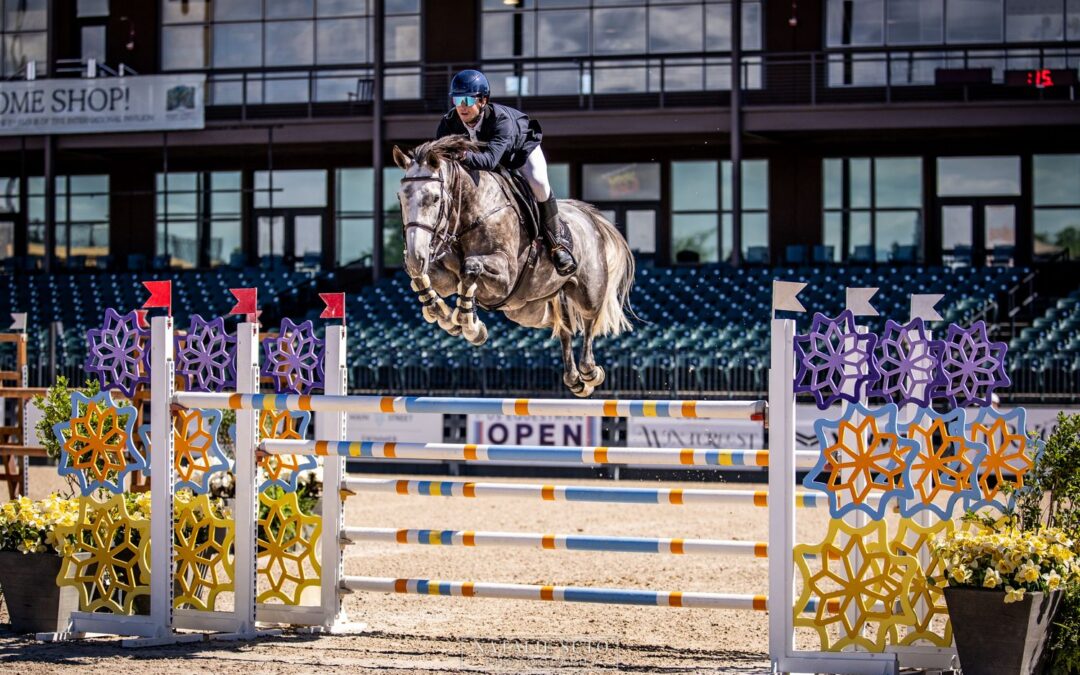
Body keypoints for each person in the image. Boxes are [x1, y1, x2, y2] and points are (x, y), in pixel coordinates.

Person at [435, 69, 578, 276]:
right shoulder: (448, 123)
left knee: (538, 182)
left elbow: (491, 161)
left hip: (519, 153)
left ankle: (557, 245)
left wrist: (462, 156)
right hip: (482, 158)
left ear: (483, 100)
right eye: (457, 100)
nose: (462, 106)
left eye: (467, 99)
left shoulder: (501, 120)